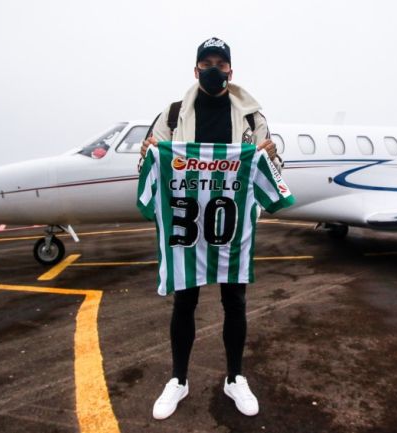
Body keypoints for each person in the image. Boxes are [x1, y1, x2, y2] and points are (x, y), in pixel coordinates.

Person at [139, 37, 279, 420]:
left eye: (221, 62)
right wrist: (147, 153)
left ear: (231, 70)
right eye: (207, 62)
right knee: (186, 301)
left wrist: (269, 156)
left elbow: (272, 172)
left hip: (231, 224)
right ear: (195, 68)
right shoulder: (171, 115)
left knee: (234, 301)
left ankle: (235, 377)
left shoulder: (252, 117)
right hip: (187, 223)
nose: (214, 69)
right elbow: (148, 168)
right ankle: (178, 379)